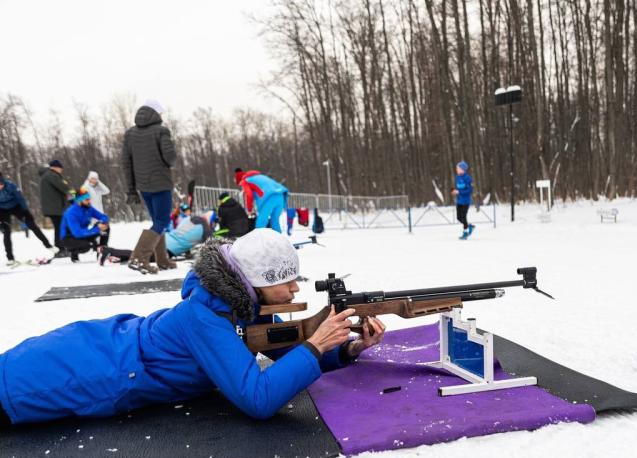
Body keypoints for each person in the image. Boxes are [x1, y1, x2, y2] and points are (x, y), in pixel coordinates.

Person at [0, 229, 386, 426]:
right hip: (97, 367)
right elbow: (259, 399)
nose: (295, 288)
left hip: (112, 346)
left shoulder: (246, 304)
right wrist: (315, 346)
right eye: (285, 280)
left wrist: (347, 349)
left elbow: (283, 351)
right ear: (254, 279)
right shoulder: (205, 318)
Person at [122, 99, 177, 274]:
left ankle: (162, 260)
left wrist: (131, 189)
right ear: (156, 114)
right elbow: (170, 158)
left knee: (158, 222)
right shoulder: (161, 131)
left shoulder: (130, 134)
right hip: (161, 183)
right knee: (162, 221)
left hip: (143, 186)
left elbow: (127, 163)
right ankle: (138, 258)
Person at [0, 172, 55, 266]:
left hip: (16, 206)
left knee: (32, 225)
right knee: (6, 232)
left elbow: (20, 199)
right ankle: (10, 258)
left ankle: (48, 245)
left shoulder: (10, 185)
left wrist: (26, 212)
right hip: (2, 209)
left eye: (0, 184)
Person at [60, 187, 110, 262]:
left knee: (105, 227)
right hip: (69, 238)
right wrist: (97, 229)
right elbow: (77, 233)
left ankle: (102, 251)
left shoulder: (89, 208)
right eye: (87, 199)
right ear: (79, 201)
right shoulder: (71, 213)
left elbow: (103, 216)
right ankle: (73, 252)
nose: (89, 201)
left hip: (82, 234)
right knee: (87, 246)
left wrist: (101, 223)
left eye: (89, 199)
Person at [234, 168, 288, 232]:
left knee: (260, 222)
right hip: (280, 196)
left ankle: (258, 240)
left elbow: (249, 195)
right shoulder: (260, 176)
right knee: (274, 221)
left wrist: (249, 209)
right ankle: (279, 240)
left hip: (269, 198)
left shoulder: (246, 181)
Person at [39, 160, 74, 255]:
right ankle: (61, 249)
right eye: (60, 168)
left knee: (59, 227)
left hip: (53, 208)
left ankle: (62, 248)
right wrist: (75, 199)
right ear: (55, 167)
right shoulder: (52, 176)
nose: (61, 170)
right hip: (56, 208)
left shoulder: (47, 176)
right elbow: (66, 189)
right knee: (60, 228)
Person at [451, 160, 474, 240]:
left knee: (463, 217)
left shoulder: (468, 178)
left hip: (466, 201)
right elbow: (458, 188)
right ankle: (469, 226)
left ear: (462, 169)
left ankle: (465, 233)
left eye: (458, 168)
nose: (456, 169)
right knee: (458, 217)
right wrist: (453, 190)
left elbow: (470, 190)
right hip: (459, 201)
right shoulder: (457, 177)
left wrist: (459, 192)